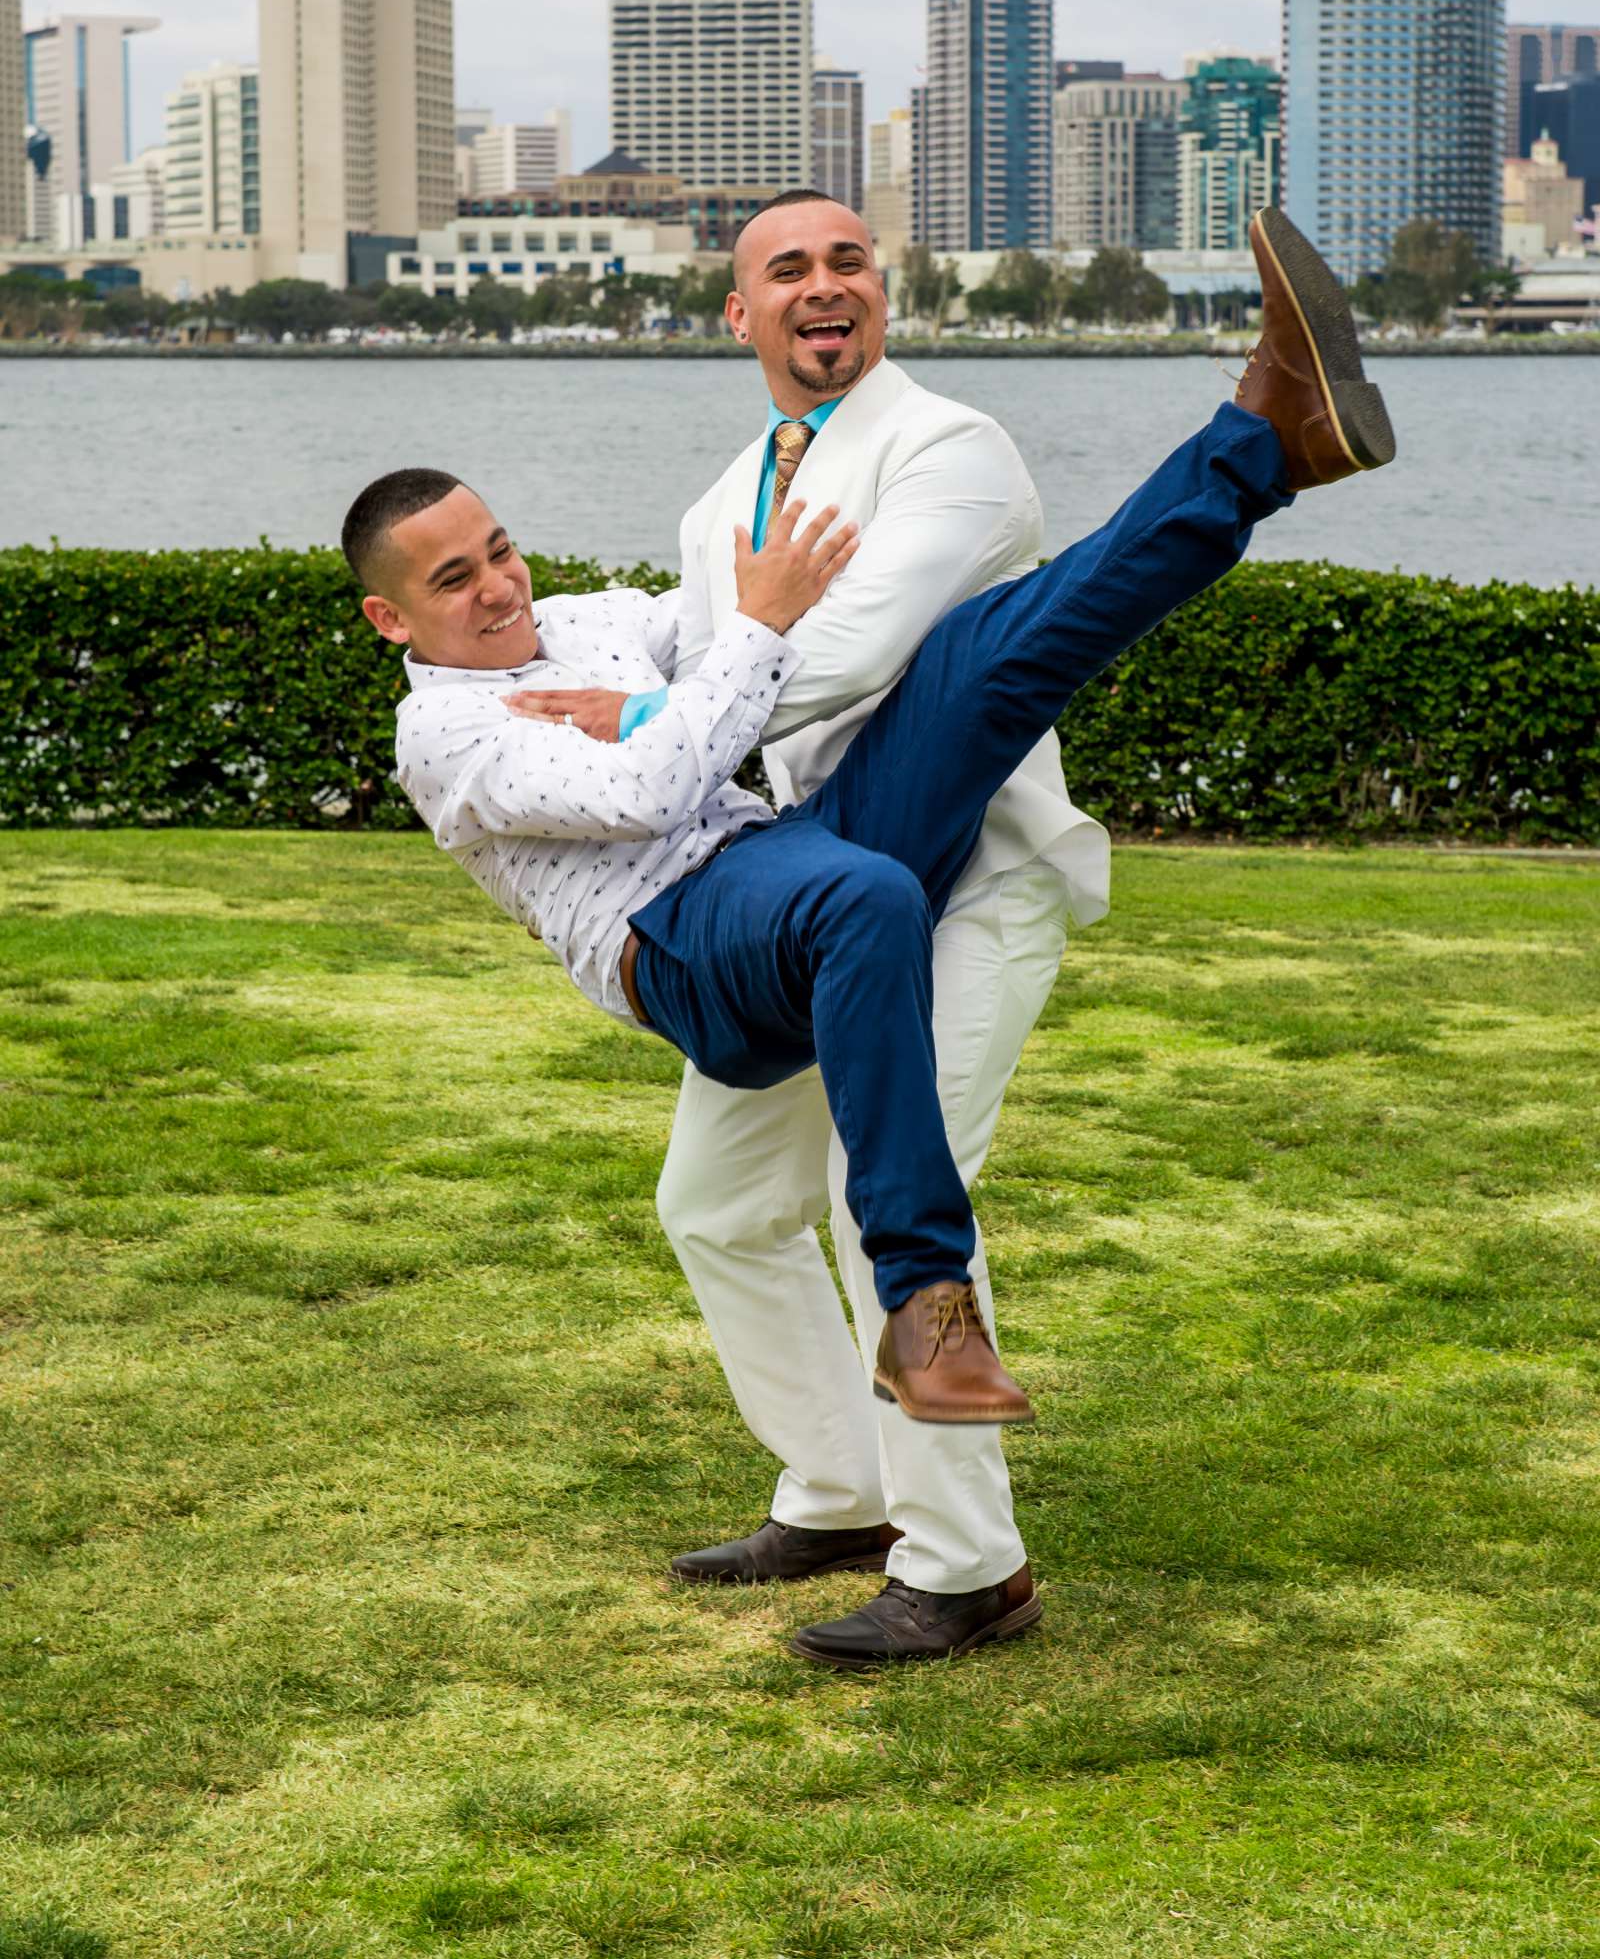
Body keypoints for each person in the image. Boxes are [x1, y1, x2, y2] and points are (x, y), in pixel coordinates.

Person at [343, 205, 1394, 1666]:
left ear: (879, 289)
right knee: (725, 1188)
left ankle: (1268, 438)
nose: (500, 587)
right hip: (732, 921)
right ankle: (867, 1442)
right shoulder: (499, 688)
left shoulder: (931, 455)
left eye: (500, 551)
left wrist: (689, 678)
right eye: (453, 581)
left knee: (972, 665)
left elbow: (795, 666)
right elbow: (680, 744)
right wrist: (709, 675)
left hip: (872, 875)